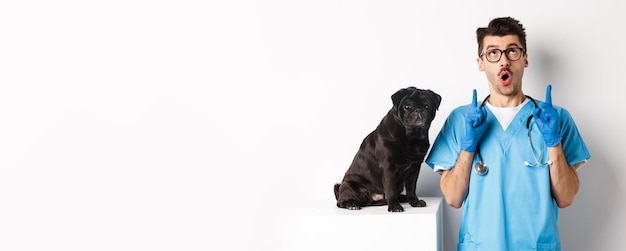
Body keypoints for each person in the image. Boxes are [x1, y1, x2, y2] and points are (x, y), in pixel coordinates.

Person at [425, 17, 591, 250]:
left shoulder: (555, 117)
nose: (503, 61)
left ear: (525, 59)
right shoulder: (461, 119)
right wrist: (468, 146)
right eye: (493, 53)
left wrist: (553, 142)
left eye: (512, 51)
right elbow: (453, 198)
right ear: (481, 62)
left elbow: (566, 198)